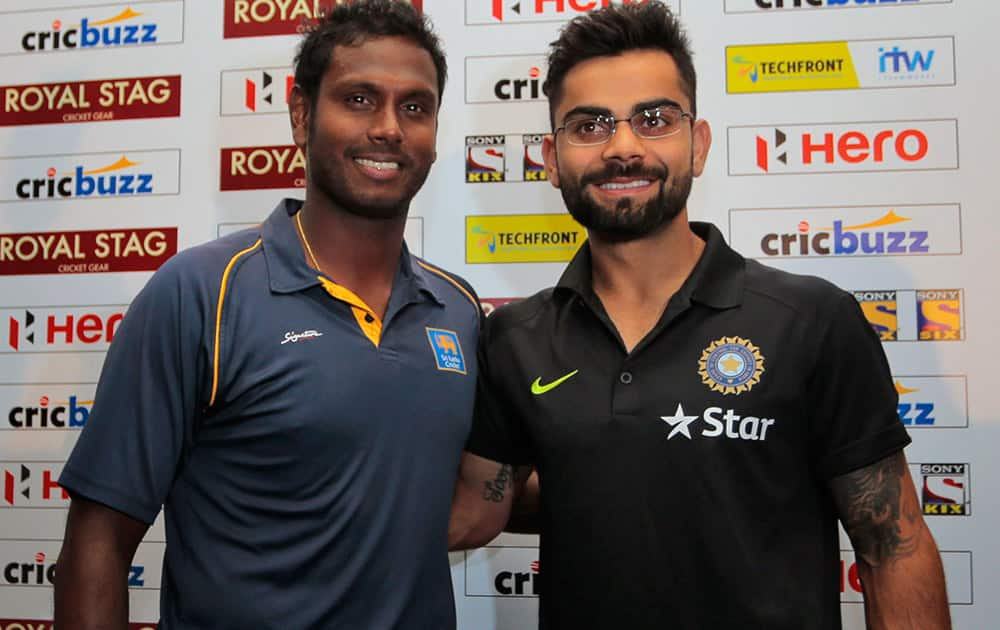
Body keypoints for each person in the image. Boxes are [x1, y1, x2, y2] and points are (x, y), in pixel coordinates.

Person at [448, 4, 951, 629]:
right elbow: (473, 510)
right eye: (590, 125)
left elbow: (892, 549)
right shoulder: (515, 339)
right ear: (551, 159)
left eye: (655, 119)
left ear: (699, 142)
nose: (623, 146)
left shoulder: (811, 321)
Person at [55, 2, 480, 628]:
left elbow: (473, 500)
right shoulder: (200, 293)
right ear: (302, 115)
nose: (390, 128)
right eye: (359, 99)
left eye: (414, 107)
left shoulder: (461, 311)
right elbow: (98, 544)